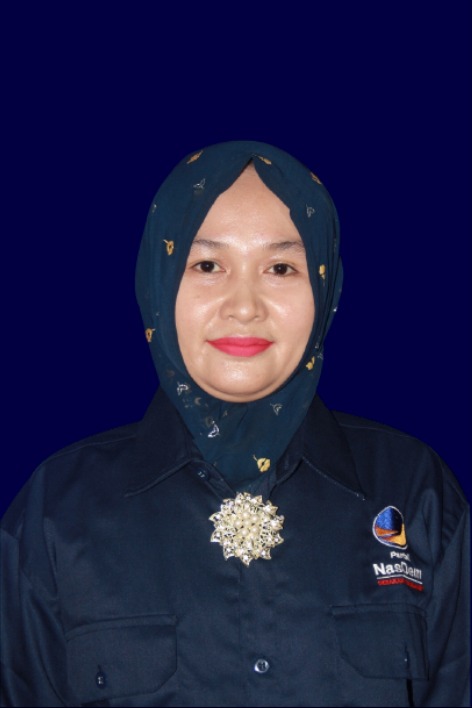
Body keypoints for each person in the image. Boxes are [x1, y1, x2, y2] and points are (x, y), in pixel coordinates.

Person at [1, 141, 469, 707]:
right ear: (158, 278)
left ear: (325, 287)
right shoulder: (57, 510)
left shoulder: (415, 489)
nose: (244, 306)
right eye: (207, 265)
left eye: (280, 267)